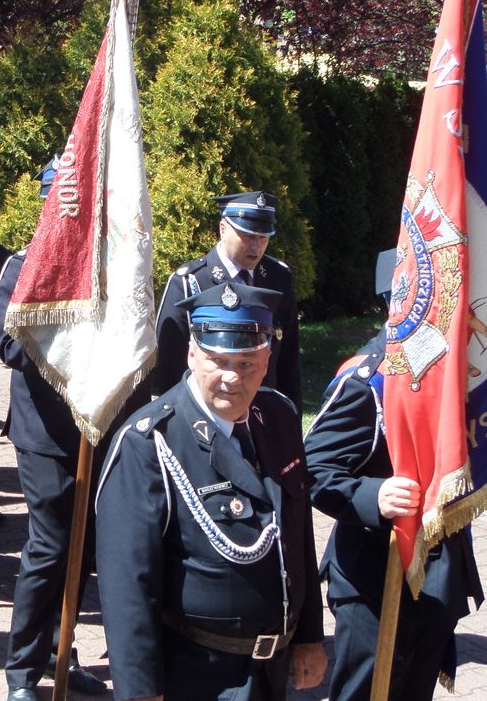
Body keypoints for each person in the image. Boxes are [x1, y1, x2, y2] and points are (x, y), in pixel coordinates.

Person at [96, 281, 326, 701]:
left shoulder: (278, 417)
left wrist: (309, 634)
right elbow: (127, 582)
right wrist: (139, 690)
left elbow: (297, 534)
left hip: (276, 671)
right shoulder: (148, 442)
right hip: (196, 674)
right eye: (217, 361)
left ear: (267, 358)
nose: (230, 378)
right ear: (191, 354)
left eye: (246, 364)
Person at [303, 252, 483, 701]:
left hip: (438, 572)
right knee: (367, 692)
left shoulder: (452, 377)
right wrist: (372, 494)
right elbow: (314, 467)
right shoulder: (369, 381)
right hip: (373, 574)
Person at [0, 165, 107, 700]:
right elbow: (9, 348)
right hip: (45, 434)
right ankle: (23, 669)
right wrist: (66, 323)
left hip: (98, 431)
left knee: (83, 550)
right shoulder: (21, 268)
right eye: (59, 206)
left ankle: (64, 652)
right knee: (50, 546)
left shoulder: (105, 271)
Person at [152, 191, 302, 413]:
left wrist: (289, 422)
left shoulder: (278, 277)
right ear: (223, 229)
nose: (256, 247)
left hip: (263, 417)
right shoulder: (190, 281)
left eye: (263, 237)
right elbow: (169, 370)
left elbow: (288, 364)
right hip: (205, 416)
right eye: (247, 236)